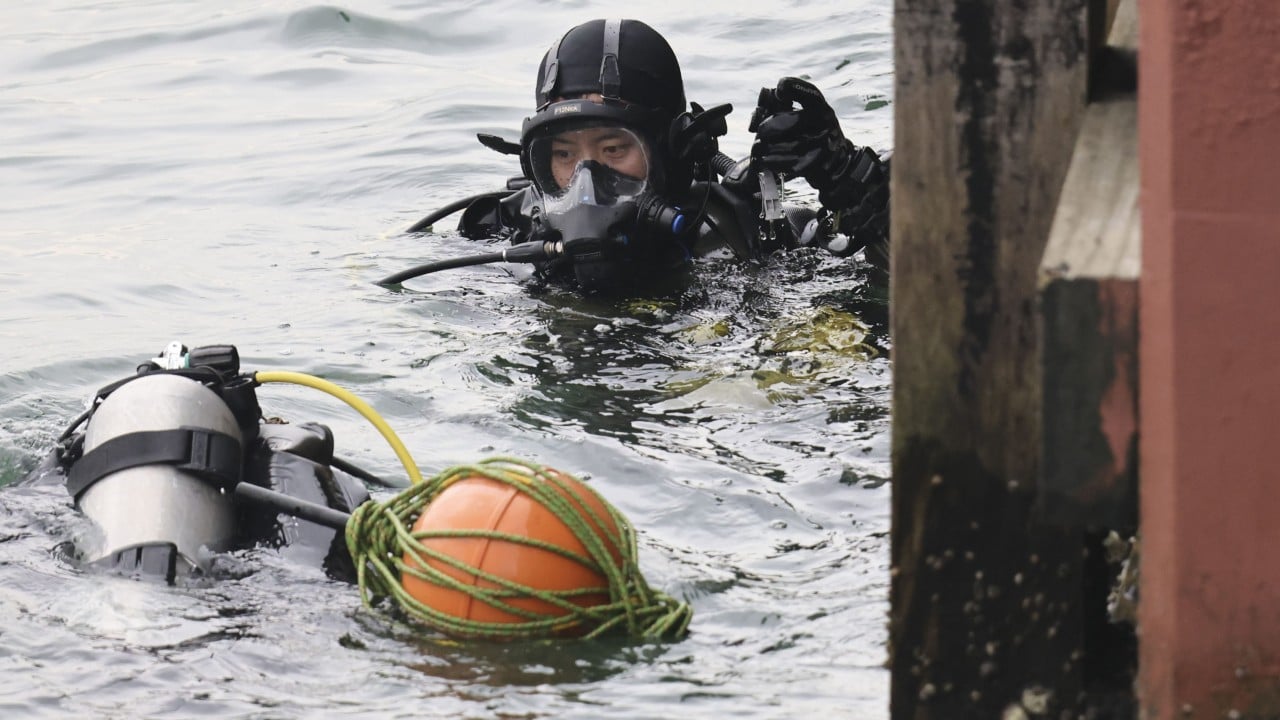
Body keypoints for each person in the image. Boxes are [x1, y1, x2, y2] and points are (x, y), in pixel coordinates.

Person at [396, 18, 890, 296]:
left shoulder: (744, 234)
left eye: (613, 149)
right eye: (563, 155)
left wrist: (853, 185)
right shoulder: (507, 233)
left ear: (670, 151)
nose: (586, 181)